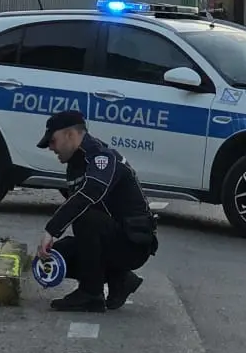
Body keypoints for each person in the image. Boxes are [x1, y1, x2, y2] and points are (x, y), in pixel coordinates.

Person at [34, 110, 158, 314]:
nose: (50, 147)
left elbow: (90, 193)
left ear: (70, 135)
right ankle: (120, 279)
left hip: (134, 244)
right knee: (57, 254)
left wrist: (51, 230)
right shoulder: (76, 162)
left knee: (85, 218)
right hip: (114, 238)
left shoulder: (100, 156)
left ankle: (91, 294)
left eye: (53, 141)